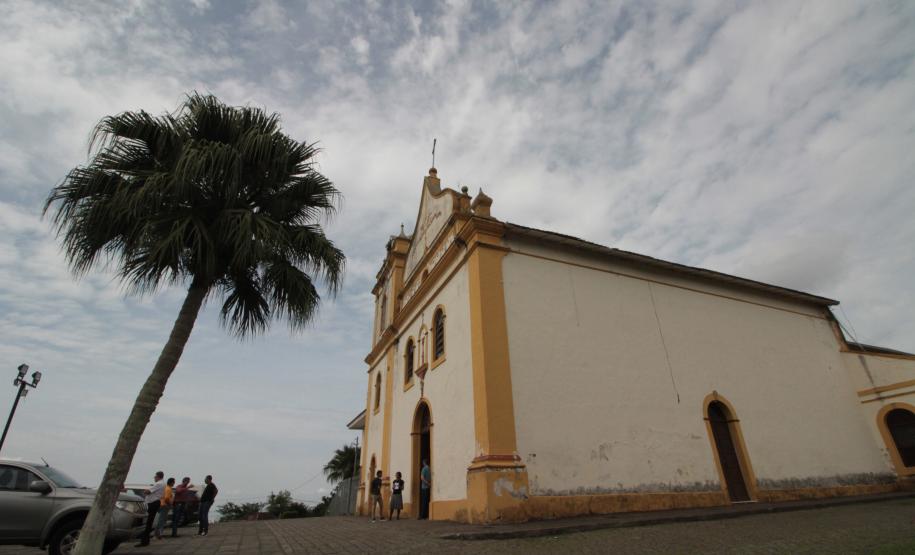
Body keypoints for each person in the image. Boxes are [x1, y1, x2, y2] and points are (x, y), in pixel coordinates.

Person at [135, 471, 165, 547]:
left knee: (147, 521)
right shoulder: (163, 483)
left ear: (158, 476)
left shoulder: (158, 484)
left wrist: (145, 491)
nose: (154, 478)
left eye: (155, 476)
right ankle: (145, 540)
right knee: (149, 521)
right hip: (155, 502)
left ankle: (144, 541)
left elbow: (148, 491)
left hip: (153, 503)